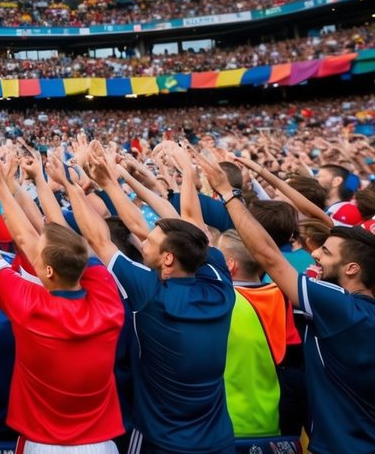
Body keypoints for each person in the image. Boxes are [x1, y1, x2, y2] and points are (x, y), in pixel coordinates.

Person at [201, 158, 375, 454]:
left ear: (352, 269)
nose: (315, 254)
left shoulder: (343, 310)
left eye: (326, 252)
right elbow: (329, 224)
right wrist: (265, 175)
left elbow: (269, 256)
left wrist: (227, 194)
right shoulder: (360, 305)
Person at [68, 152, 235, 454]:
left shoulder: (150, 294)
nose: (142, 240)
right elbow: (176, 228)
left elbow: (98, 239)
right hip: (218, 439)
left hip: (160, 440)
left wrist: (74, 187)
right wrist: (114, 183)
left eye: (149, 241)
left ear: (168, 259)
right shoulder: (219, 280)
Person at [0, 162, 125, 453]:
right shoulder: (108, 299)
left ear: (48, 271)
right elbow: (60, 241)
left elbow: (17, 239)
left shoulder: (28, 306)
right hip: (100, 444)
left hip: (42, 443)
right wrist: (25, 184)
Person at [215, 230, 289, 437]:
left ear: (230, 264)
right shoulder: (282, 296)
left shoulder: (222, 301)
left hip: (225, 425)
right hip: (270, 421)